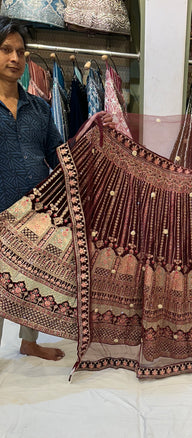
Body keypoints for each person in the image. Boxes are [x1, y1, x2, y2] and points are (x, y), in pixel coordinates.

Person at [0, 16, 114, 361]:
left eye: (21, 51)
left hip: (34, 215)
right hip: (0, 212)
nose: (15, 58)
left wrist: (94, 133)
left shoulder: (38, 107)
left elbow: (59, 153)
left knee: (31, 282)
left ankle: (28, 342)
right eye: (6, 50)